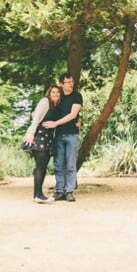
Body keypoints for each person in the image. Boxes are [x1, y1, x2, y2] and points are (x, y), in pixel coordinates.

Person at [42, 73, 82, 202]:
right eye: (68, 82)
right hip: (58, 135)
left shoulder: (77, 96)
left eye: (72, 82)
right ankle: (59, 191)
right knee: (58, 164)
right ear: (61, 84)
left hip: (72, 134)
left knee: (70, 164)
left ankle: (69, 191)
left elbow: (73, 114)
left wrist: (56, 123)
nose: (71, 84)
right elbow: (49, 110)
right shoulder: (57, 97)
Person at [23, 85, 63, 203]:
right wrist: (30, 133)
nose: (55, 94)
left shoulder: (55, 106)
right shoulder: (45, 101)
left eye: (58, 92)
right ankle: (38, 195)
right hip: (40, 137)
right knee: (40, 167)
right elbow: (36, 119)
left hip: (48, 139)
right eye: (53, 92)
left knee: (42, 167)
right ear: (49, 93)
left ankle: (38, 194)